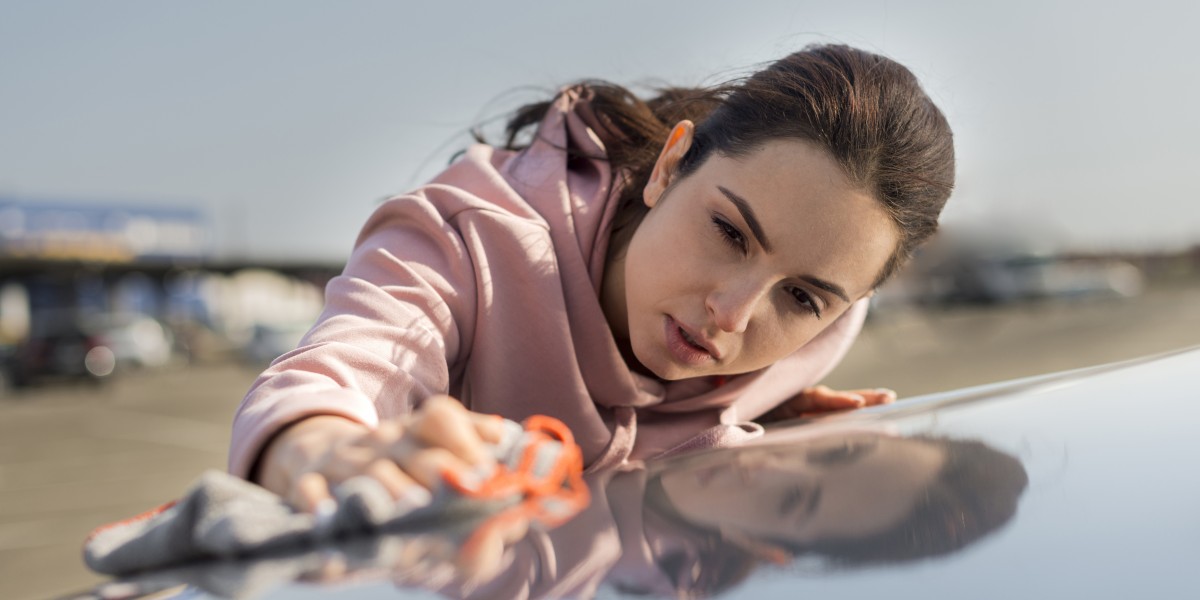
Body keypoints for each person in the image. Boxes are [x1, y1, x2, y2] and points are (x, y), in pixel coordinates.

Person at [229, 44, 956, 514]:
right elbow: (346, 366)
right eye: (730, 233)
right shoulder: (474, 237)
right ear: (670, 165)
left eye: (800, 298)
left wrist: (759, 422)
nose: (732, 315)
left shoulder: (820, 335)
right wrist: (322, 445)